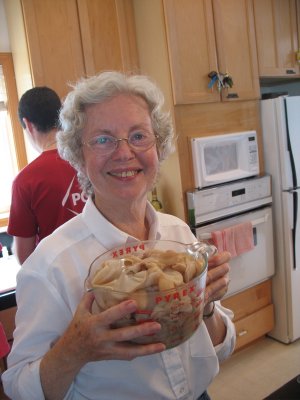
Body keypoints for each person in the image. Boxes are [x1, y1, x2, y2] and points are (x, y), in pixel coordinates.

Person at [2, 72, 235, 400]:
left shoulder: (179, 235)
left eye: (139, 135)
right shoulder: (49, 267)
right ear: (79, 156)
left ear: (159, 146)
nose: (124, 152)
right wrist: (75, 349)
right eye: (103, 139)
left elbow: (220, 349)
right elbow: (18, 388)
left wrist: (206, 305)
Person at [7, 86, 86, 264]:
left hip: (59, 279)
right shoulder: (90, 159)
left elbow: (24, 257)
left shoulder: (25, 180)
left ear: (27, 124)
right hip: (105, 267)